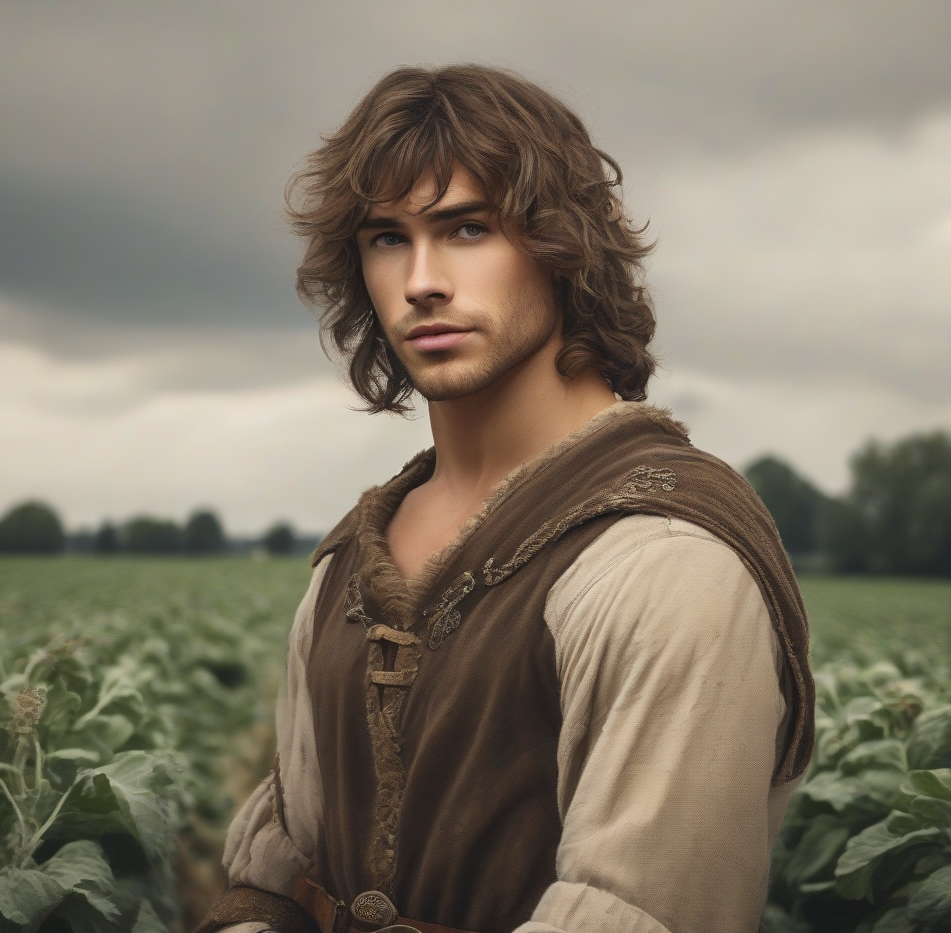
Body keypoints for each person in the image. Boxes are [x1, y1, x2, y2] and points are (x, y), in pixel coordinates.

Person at [196, 65, 813, 933]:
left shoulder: (669, 565)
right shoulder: (346, 566)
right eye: (386, 238)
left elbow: (641, 914)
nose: (422, 282)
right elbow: (280, 873)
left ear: (562, 244)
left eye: (467, 228)